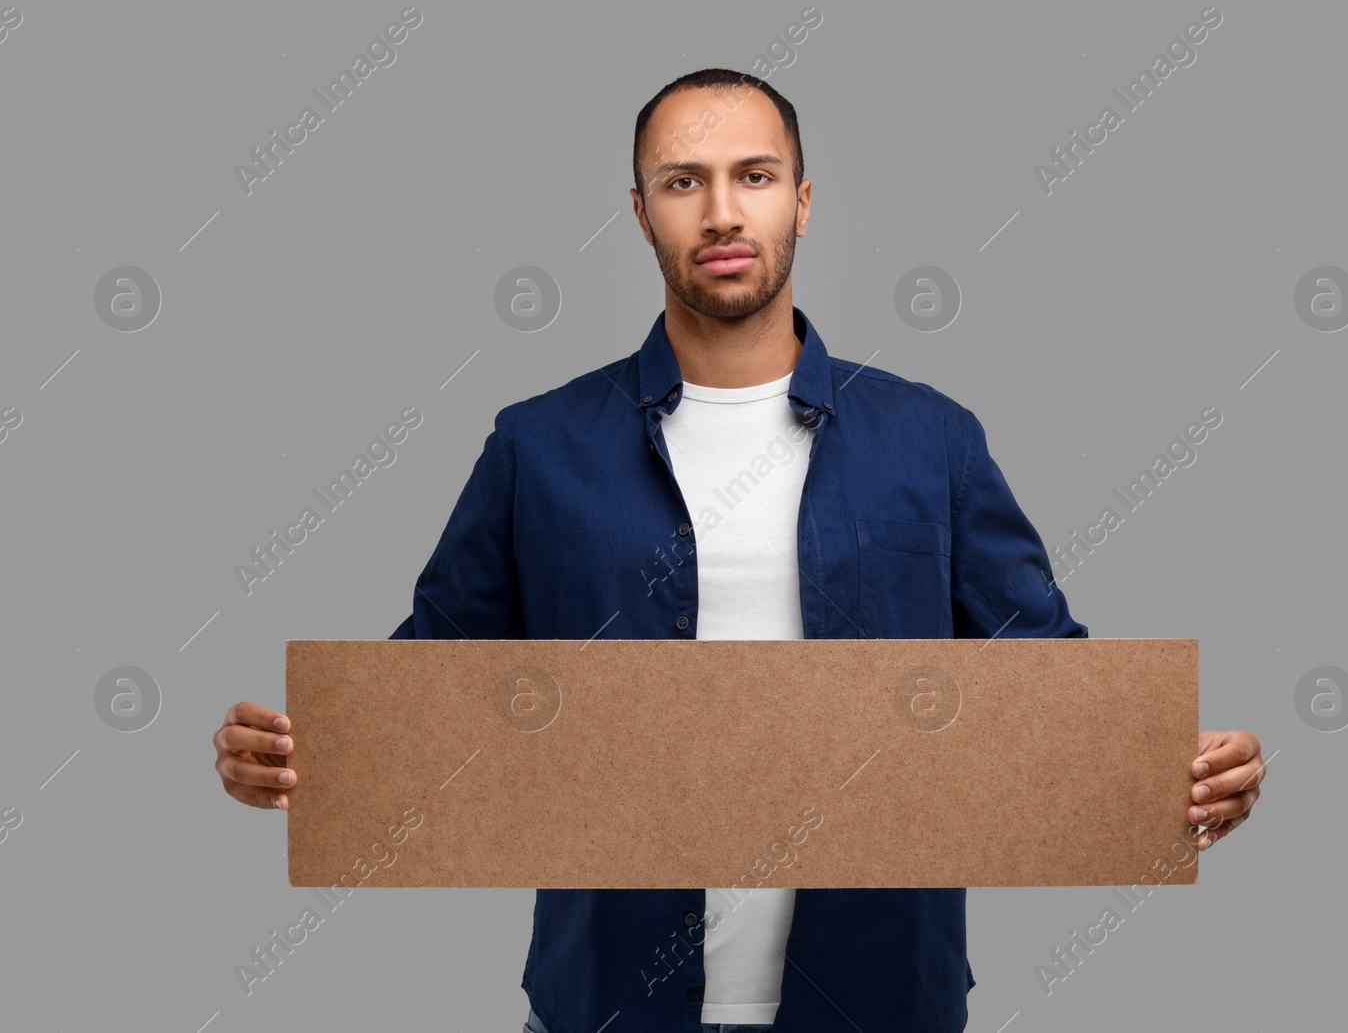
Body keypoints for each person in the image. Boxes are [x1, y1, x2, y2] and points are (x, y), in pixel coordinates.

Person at [213, 68, 1265, 1033]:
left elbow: (1047, 679)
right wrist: (297, 753)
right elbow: (427, 679)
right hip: (607, 1004)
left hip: (878, 1001)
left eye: (753, 176)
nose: (721, 212)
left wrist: (1181, 768)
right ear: (639, 214)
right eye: (683, 181)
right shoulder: (538, 446)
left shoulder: (930, 439)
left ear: (801, 200)